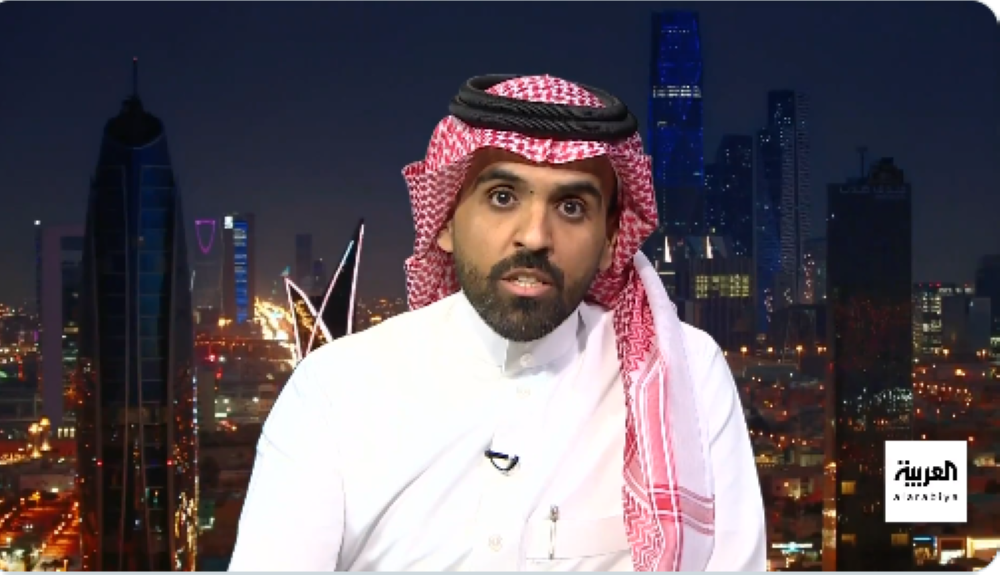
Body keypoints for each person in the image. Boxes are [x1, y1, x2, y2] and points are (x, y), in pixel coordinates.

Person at [229, 74, 766, 572]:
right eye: (502, 197)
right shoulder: (334, 390)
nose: (535, 236)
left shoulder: (682, 376)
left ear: (609, 241)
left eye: (572, 207)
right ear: (445, 222)